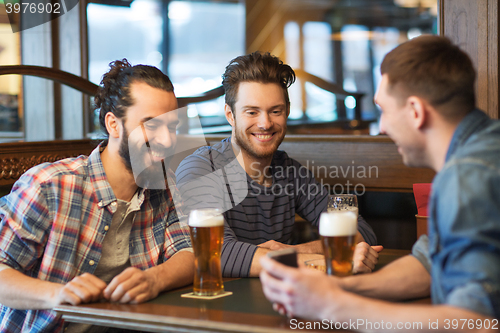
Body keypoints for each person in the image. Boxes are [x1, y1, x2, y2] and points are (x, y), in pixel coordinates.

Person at [260, 35, 500, 330]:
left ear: (416, 111)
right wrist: (339, 289)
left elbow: (477, 323)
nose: (382, 127)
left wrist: (330, 305)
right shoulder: (484, 149)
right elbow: (429, 264)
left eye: (384, 109)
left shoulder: (468, 176)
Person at [0, 59, 194, 332]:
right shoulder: (49, 185)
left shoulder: (166, 185)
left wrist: (155, 279)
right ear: (113, 124)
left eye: (171, 127)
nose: (166, 139)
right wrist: (56, 294)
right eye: (151, 125)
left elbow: (188, 253)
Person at [176, 52, 381, 278]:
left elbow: (360, 230)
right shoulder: (200, 168)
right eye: (252, 112)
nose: (265, 123)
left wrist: (293, 251)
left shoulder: (291, 172)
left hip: (281, 300)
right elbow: (216, 252)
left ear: (287, 112)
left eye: (275, 111)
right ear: (230, 115)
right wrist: (332, 258)